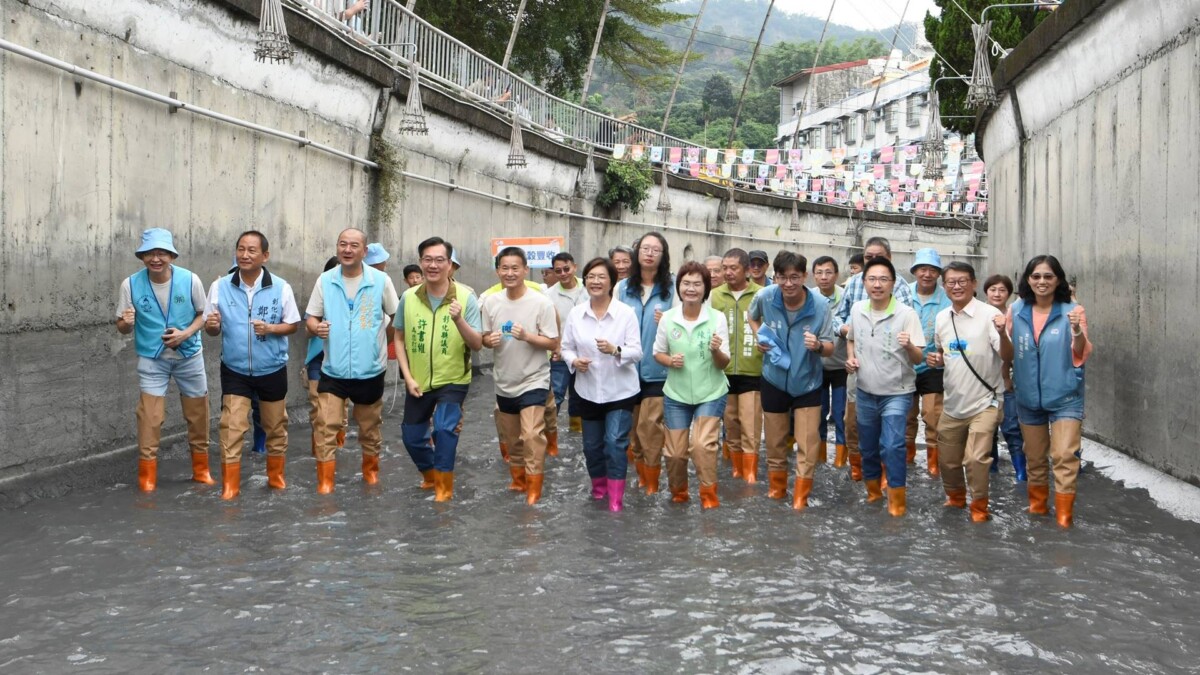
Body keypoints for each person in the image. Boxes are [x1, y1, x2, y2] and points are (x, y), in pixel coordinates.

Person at [203, 231, 301, 499]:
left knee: (275, 427)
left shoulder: (280, 287)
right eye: (241, 249)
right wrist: (213, 326)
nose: (245, 255)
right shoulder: (220, 286)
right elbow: (212, 328)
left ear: (265, 256)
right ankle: (230, 487)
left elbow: (292, 325)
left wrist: (270, 328)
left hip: (272, 368)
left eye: (252, 250)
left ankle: (276, 479)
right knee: (231, 426)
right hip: (235, 370)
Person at [115, 228, 213, 492]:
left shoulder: (190, 280)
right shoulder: (130, 284)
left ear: (171, 255)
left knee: (198, 413)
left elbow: (203, 315)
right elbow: (121, 326)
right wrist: (125, 323)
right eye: (149, 253)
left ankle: (201, 470)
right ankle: (147, 476)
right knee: (150, 416)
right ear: (142, 256)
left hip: (189, 355)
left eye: (161, 253)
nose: (155, 258)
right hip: (152, 358)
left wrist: (186, 334)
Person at [305, 229, 400, 494]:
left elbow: (396, 317)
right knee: (325, 425)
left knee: (369, 429)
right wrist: (316, 327)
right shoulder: (325, 280)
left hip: (369, 371)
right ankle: (325, 483)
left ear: (364, 251)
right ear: (337, 248)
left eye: (354, 245)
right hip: (332, 370)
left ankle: (370, 475)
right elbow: (311, 317)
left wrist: (376, 343)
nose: (348, 250)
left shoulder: (380, 280)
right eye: (343, 244)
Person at [394, 237, 483, 502]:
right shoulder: (409, 297)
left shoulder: (466, 298)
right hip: (418, 380)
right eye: (428, 260)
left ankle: (444, 492)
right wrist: (408, 377)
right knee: (411, 437)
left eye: (439, 260)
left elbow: (477, 344)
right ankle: (431, 476)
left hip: (453, 379)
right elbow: (398, 337)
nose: (433, 265)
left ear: (450, 264)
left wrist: (458, 319)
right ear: (421, 262)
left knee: (444, 429)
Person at [1007, 255, 1092, 528]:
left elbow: (1082, 352)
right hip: (1028, 397)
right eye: (1036, 276)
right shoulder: (1016, 309)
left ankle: (1064, 519)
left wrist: (1076, 330)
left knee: (1065, 456)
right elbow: (1007, 353)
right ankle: (1037, 509)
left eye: (1048, 276)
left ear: (1058, 280)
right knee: (1034, 458)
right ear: (1028, 280)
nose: (1041, 281)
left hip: (1066, 396)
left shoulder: (1073, 310)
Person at [749, 252, 835, 509]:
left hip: (807, 381)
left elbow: (831, 346)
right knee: (774, 443)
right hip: (773, 379)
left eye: (794, 277)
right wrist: (760, 336)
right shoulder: (765, 296)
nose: (788, 284)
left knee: (808, 443)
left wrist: (818, 345)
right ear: (775, 277)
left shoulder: (820, 305)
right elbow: (752, 317)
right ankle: (777, 491)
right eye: (782, 277)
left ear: (804, 276)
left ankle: (800, 498)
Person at [930, 262, 1011, 522]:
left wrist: (1003, 333)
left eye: (962, 281)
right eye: (951, 282)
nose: (957, 286)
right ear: (944, 287)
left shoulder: (989, 316)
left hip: (986, 402)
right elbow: (944, 352)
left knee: (976, 458)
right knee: (949, 462)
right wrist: (938, 359)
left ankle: (979, 507)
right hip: (953, 404)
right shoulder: (942, 318)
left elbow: (1008, 356)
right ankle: (955, 499)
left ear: (974, 284)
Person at [560, 258, 643, 512]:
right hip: (587, 390)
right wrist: (575, 361)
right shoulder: (576, 313)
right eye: (590, 277)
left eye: (601, 277)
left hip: (620, 391)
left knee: (615, 442)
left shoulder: (625, 313)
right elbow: (565, 348)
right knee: (591, 447)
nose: (595, 281)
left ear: (611, 282)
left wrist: (615, 350)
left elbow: (637, 352)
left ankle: (616, 499)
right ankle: (599, 491)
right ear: (585, 281)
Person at [845, 257, 924, 516]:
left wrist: (909, 345)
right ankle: (873, 493)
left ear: (893, 283)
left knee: (892, 445)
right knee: (867, 447)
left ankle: (897, 502)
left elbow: (918, 358)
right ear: (864, 282)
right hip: (865, 390)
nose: (877, 285)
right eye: (872, 279)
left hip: (897, 393)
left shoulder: (906, 314)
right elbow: (851, 338)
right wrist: (851, 359)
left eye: (883, 279)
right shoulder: (857, 309)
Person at [833, 237, 915, 482]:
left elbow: (908, 331)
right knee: (854, 423)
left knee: (892, 440)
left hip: (893, 376)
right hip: (861, 372)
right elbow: (839, 319)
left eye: (878, 256)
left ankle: (890, 481)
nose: (876, 284)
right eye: (868, 257)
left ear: (889, 258)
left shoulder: (899, 289)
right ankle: (860, 470)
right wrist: (847, 332)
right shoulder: (854, 289)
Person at [481, 247, 560, 505]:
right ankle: (518, 480)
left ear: (526, 270)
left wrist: (527, 336)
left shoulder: (541, 303)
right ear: (497, 271)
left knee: (531, 434)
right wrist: (487, 340)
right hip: (504, 380)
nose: (510, 273)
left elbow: (552, 342)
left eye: (516, 268)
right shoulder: (491, 302)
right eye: (505, 268)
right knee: (513, 440)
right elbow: (483, 337)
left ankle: (534, 487)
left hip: (534, 379)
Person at [654, 261, 730, 508]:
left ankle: (709, 496)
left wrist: (716, 350)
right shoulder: (668, 318)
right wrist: (669, 361)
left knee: (701, 445)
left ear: (706, 288)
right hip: (676, 394)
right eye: (686, 283)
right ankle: (679, 494)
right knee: (675, 452)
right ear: (679, 287)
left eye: (697, 284)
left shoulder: (716, 318)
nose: (691, 288)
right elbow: (658, 353)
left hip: (710, 391)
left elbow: (723, 363)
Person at [615, 232, 676, 495]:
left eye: (656, 250)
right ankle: (642, 476)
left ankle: (652, 483)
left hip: (658, 369)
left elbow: (685, 327)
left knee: (650, 428)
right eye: (645, 249)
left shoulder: (673, 288)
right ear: (636, 253)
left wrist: (670, 321)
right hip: (626, 369)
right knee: (632, 430)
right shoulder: (622, 287)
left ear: (663, 256)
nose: (649, 253)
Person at [709, 248, 763, 482]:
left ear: (747, 269)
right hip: (723, 368)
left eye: (733, 268)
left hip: (754, 368)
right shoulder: (714, 295)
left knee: (750, 424)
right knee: (730, 422)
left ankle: (750, 474)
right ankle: (736, 469)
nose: (728, 273)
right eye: (725, 268)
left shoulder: (762, 294)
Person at [905, 248, 951, 475]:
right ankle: (907, 457)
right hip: (905, 364)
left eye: (932, 270)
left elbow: (953, 333)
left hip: (933, 365)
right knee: (906, 415)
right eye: (923, 269)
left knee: (934, 415)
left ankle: (934, 462)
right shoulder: (903, 293)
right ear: (915, 271)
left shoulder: (946, 298)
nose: (927, 274)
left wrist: (942, 355)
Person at [984, 274, 1026, 480]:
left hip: (1009, 380)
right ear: (986, 292)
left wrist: (1008, 377)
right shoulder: (979, 315)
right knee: (987, 430)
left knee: (1011, 427)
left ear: (1009, 294)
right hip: (983, 382)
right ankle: (990, 472)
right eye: (993, 289)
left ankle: (1021, 473)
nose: (997, 294)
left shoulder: (1016, 316)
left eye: (1002, 290)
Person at [811, 256, 848, 468]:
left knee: (841, 413)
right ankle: (821, 456)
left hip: (842, 366)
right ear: (813, 275)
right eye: (819, 272)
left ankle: (841, 459)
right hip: (818, 366)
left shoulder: (846, 297)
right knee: (819, 412)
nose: (824, 277)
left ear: (837, 275)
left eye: (828, 272)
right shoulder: (809, 297)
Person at [546, 252, 587, 434]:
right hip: (559, 355)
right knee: (556, 395)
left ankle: (576, 432)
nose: (563, 273)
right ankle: (548, 435)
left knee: (582, 397)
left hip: (586, 354)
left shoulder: (588, 289)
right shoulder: (549, 295)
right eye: (558, 270)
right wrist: (555, 347)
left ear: (574, 267)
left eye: (566, 269)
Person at [304, 257, 341, 457]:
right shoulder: (319, 295)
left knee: (338, 411)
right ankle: (319, 451)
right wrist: (317, 328)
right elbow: (307, 331)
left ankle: (336, 446)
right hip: (318, 359)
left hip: (342, 359)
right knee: (317, 406)